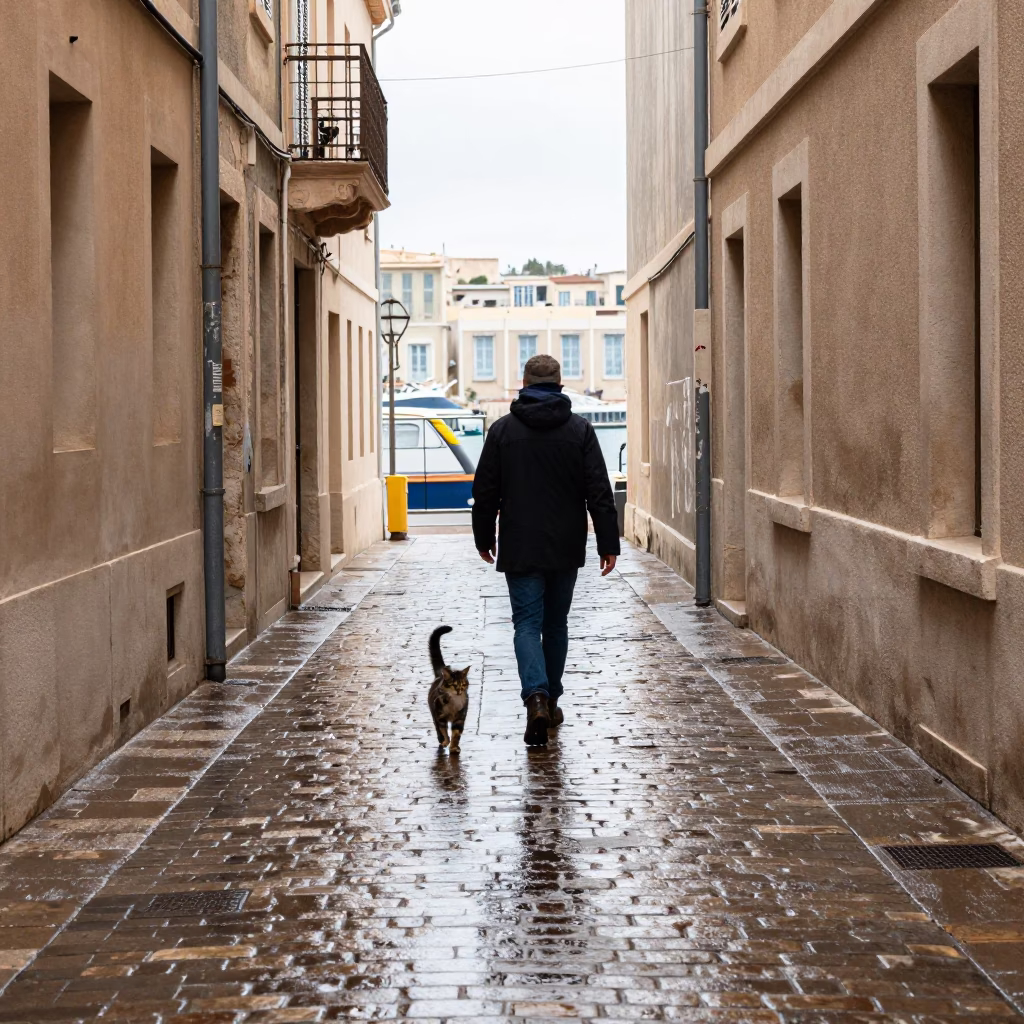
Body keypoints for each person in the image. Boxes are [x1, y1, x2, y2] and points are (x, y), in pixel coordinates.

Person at [471, 354, 621, 746]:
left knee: (525, 624)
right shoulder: (580, 430)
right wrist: (608, 542)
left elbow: (485, 492)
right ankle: (550, 700)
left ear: (524, 382)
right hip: (565, 543)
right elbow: (599, 492)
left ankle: (535, 696)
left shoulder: (502, 431)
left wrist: (484, 536)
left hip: (520, 543)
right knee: (555, 625)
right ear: (559, 384)